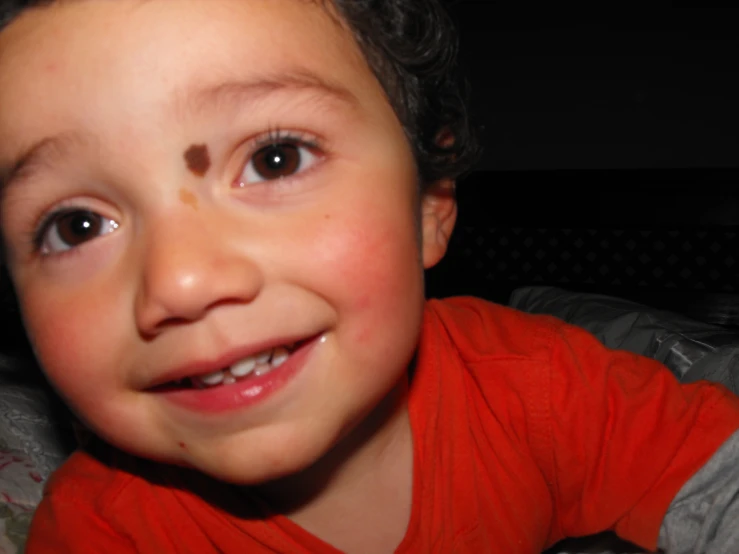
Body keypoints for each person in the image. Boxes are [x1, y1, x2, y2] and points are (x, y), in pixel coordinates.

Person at [0, 1, 738, 552]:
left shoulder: (537, 386)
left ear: (426, 204)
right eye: (76, 226)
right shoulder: (101, 531)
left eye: (275, 159)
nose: (182, 281)